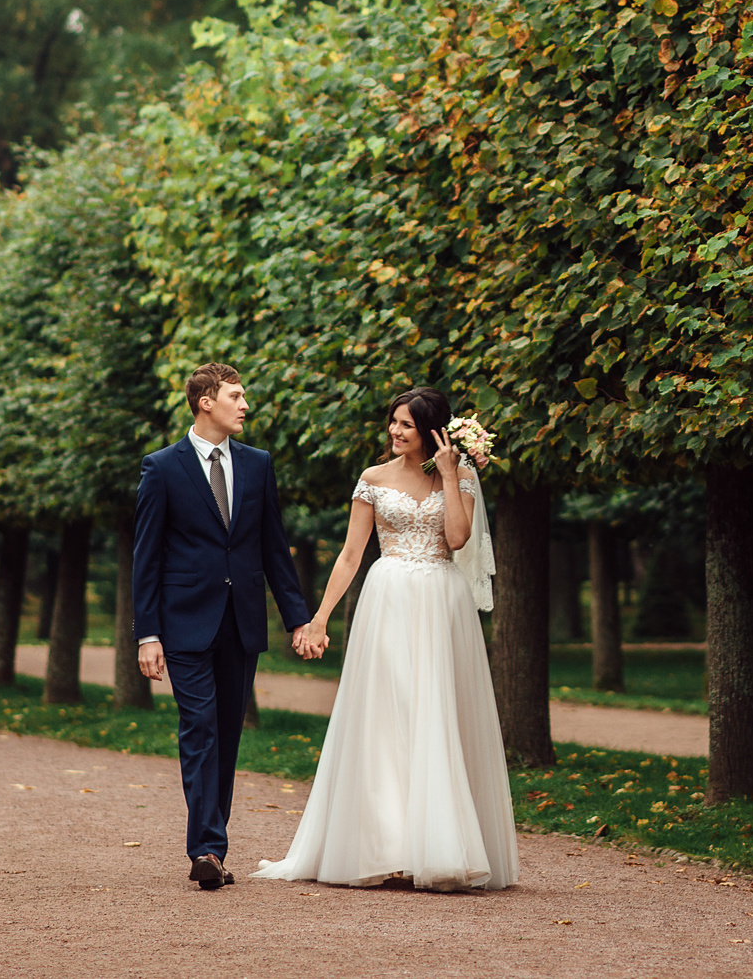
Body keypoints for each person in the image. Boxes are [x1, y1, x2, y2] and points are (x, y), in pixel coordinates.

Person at [252, 385, 518, 891]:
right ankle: (386, 845)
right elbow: (351, 555)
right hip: (388, 598)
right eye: (393, 422)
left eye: (407, 425)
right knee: (387, 714)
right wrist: (319, 618)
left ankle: (438, 846)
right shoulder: (372, 479)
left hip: (442, 600)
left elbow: (458, 539)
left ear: (432, 431)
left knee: (435, 713)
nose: (396, 432)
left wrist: (448, 474)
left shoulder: (459, 476)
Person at [132, 362, 313, 890]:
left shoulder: (258, 465)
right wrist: (148, 633)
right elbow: (146, 557)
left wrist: (297, 617)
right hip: (184, 624)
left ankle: (212, 843)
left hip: (241, 623)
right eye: (236, 396)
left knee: (228, 735)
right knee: (200, 728)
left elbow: (274, 547)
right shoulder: (162, 467)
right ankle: (206, 848)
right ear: (205, 401)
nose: (245, 405)